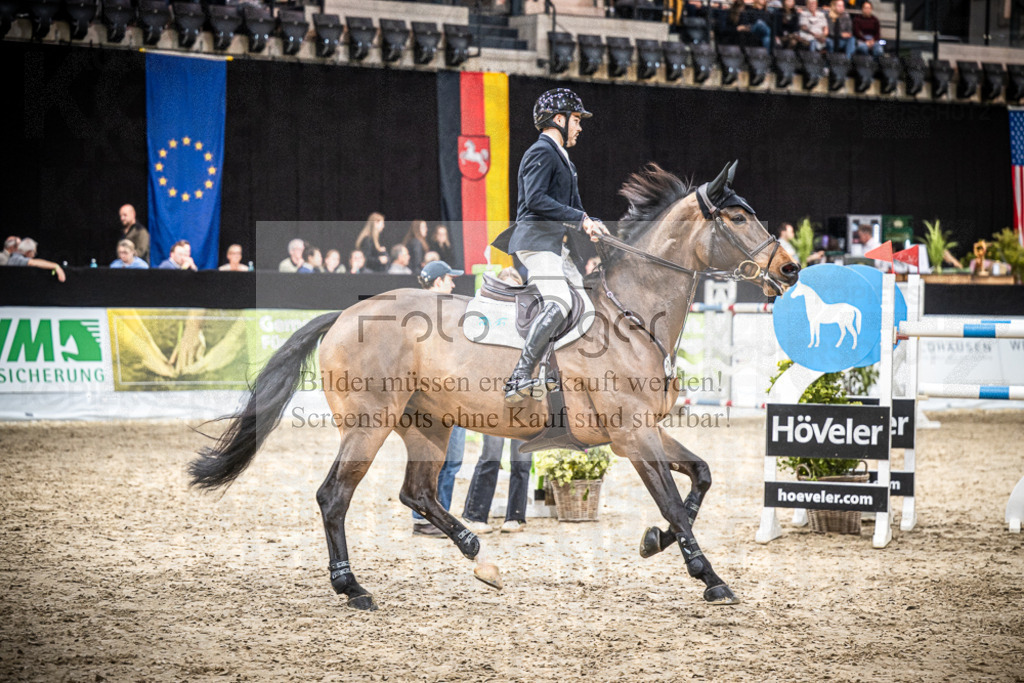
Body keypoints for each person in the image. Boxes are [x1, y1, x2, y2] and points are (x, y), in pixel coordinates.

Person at [491, 88, 609, 404]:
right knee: (559, 299)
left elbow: (575, 209)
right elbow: (536, 199)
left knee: (584, 303)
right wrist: (581, 218)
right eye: (576, 120)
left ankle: (555, 372)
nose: (580, 127)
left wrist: (593, 225)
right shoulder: (541, 151)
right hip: (536, 240)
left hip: (556, 244)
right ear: (558, 119)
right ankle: (519, 376)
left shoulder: (564, 159)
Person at [462, 267, 531, 535]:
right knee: (490, 453)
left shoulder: (529, 318)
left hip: (524, 394)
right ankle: (475, 514)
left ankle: (516, 516)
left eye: (516, 287)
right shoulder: (488, 322)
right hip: (494, 395)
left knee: (521, 456)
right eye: (508, 287)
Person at [412, 260, 467, 538]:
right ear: (437, 282)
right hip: (440, 397)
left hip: (439, 396)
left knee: (442, 460)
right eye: (449, 279)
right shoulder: (436, 314)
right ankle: (430, 517)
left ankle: (431, 516)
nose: (453, 284)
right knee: (442, 460)